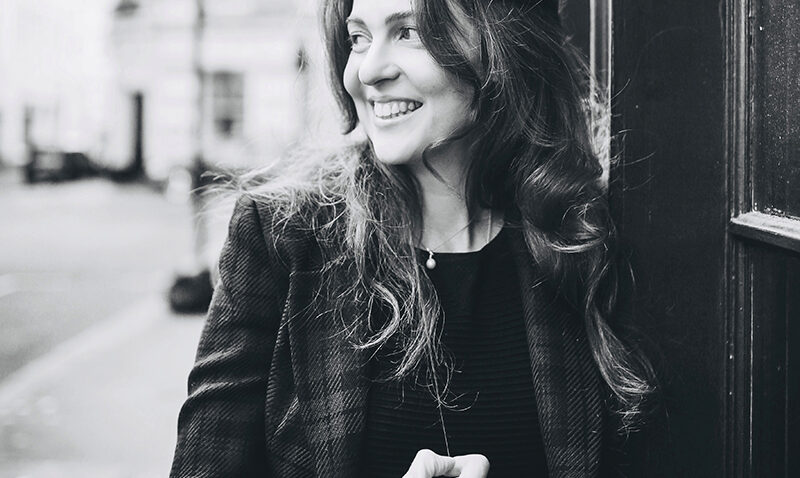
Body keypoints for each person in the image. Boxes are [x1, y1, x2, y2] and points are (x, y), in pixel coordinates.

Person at [170, 0, 655, 476]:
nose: (368, 70)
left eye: (409, 32)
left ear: (503, 46)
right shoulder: (281, 234)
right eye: (358, 38)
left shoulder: (581, 235)